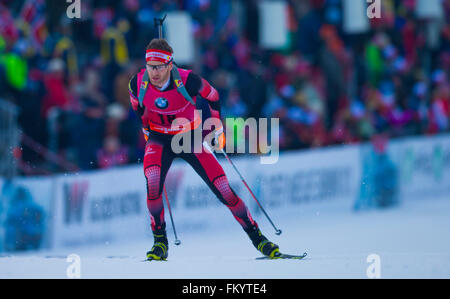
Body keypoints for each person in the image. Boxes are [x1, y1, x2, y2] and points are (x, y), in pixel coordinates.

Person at [128, 38, 280, 260]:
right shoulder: (137, 83)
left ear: (170, 65)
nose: (155, 72)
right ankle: (160, 241)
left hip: (189, 137)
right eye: (151, 67)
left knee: (223, 187)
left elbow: (213, 95)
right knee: (152, 180)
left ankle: (257, 237)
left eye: (159, 67)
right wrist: (145, 127)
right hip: (160, 137)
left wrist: (217, 125)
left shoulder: (188, 80)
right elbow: (137, 107)